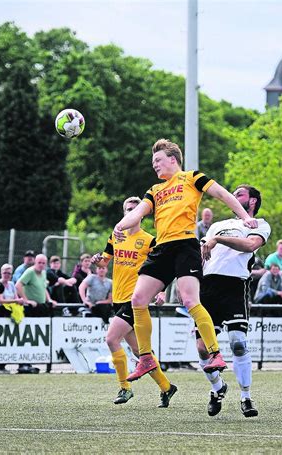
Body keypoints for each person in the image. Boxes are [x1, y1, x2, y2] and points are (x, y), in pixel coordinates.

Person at [112, 138, 258, 382]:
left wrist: (244, 217)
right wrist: (121, 224)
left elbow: (221, 193)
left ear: (173, 159)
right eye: (153, 162)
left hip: (185, 246)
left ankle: (215, 353)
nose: (154, 166)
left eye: (157, 160)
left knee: (190, 300)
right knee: (138, 299)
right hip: (162, 248)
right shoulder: (155, 190)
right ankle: (146, 358)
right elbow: (138, 212)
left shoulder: (192, 177)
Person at [92, 196, 177, 407]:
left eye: (134, 209)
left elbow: (164, 267)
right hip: (118, 298)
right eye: (127, 210)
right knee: (140, 352)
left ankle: (124, 388)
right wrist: (97, 260)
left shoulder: (149, 240)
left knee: (111, 339)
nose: (130, 212)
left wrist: (161, 290)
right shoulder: (116, 235)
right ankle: (167, 387)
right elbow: (105, 259)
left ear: (141, 213)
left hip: (135, 299)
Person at [197, 184, 270, 417]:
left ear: (253, 201)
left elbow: (250, 245)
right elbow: (203, 255)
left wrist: (218, 239)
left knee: (238, 342)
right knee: (202, 348)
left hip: (235, 285)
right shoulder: (218, 225)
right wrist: (186, 283)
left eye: (239, 193)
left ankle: (246, 397)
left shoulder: (259, 224)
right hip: (208, 287)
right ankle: (218, 388)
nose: (233, 196)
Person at [16, 254, 56, 373]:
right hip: (30, 308)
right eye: (39, 263)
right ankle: (24, 363)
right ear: (35, 263)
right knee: (28, 335)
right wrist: (26, 300)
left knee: (39, 335)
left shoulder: (43, 273)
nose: (41, 265)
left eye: (43, 263)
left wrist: (49, 299)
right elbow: (18, 285)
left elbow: (43, 288)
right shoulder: (30, 272)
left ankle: (39, 363)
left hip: (41, 306)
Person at [0, 263, 25, 373]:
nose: (7, 275)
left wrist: (18, 301)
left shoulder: (11, 285)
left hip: (10, 315)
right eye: (5, 273)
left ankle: (2, 365)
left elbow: (16, 297)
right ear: (1, 273)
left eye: (9, 273)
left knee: (7, 340)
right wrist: (15, 301)